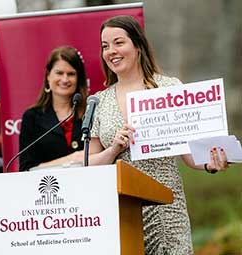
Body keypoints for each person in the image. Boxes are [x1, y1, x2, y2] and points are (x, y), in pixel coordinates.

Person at [88, 16, 229, 254]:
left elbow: (189, 154)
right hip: (121, 212)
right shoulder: (98, 101)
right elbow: (88, 162)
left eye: (118, 43)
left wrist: (211, 163)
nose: (111, 51)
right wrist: (114, 148)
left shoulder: (169, 88)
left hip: (166, 209)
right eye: (105, 46)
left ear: (138, 46)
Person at [19, 46, 87, 171]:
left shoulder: (91, 112)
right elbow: (26, 168)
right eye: (59, 73)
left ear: (79, 79)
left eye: (71, 74)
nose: (65, 79)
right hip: (48, 188)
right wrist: (74, 158)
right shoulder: (32, 117)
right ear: (48, 76)